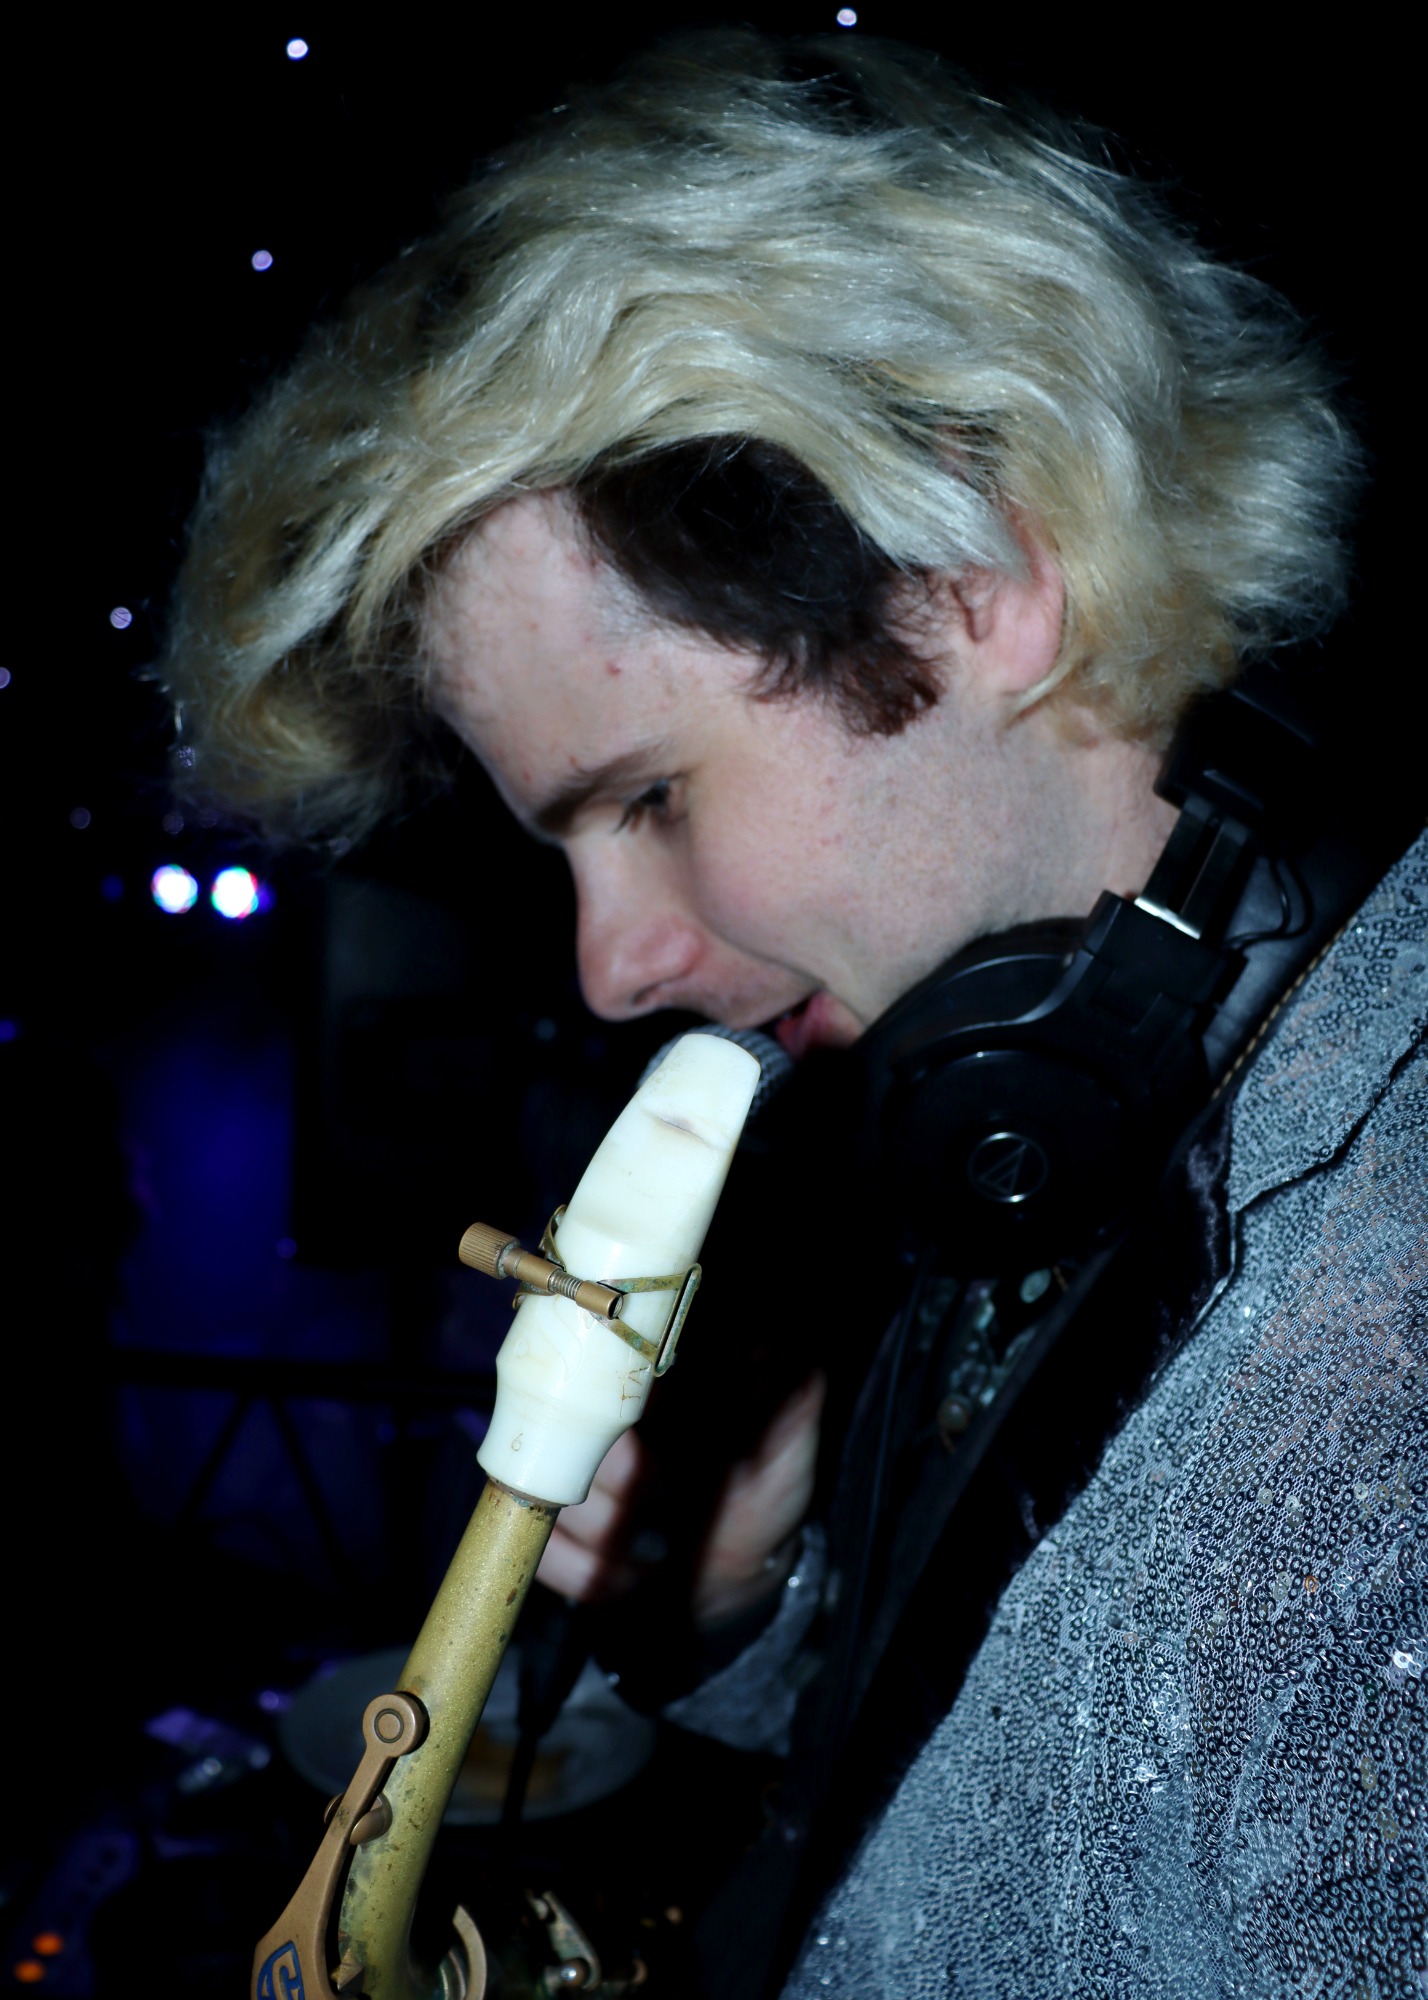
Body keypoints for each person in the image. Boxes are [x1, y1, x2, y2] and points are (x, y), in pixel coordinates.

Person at [161, 31, 1425, 1996]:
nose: (607, 966)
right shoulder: (1021, 1079)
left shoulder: (1383, 1337)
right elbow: (979, 1783)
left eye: (652, 799)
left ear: (983, 567)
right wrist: (746, 1592)